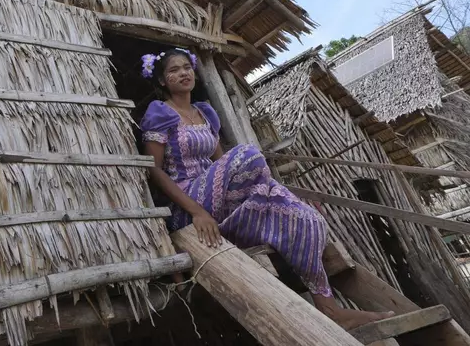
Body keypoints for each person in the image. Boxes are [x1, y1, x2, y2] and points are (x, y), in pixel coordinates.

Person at [139, 48, 395, 330]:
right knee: (247, 155)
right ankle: (243, 210)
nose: (183, 73)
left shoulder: (205, 113)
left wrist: (268, 196)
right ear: (163, 81)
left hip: (220, 202)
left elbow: (222, 165)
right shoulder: (160, 113)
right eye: (174, 70)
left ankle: (330, 308)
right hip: (189, 205)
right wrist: (197, 212)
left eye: (187, 67)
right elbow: (154, 171)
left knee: (307, 219)